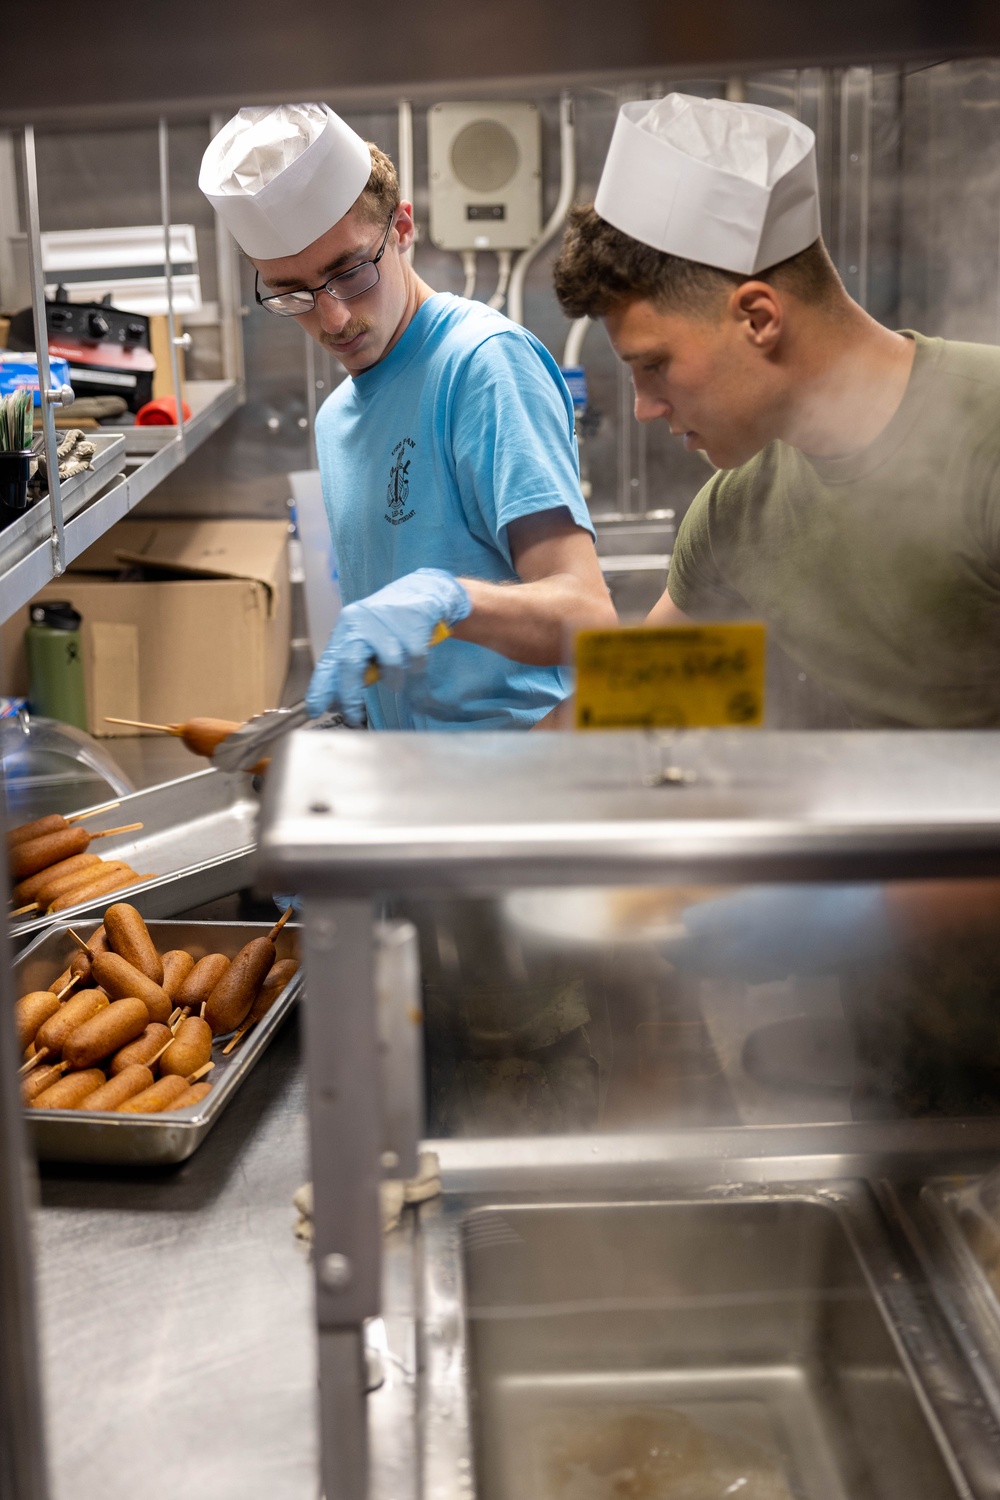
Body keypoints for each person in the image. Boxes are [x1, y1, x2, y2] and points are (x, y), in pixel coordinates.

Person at [552, 91, 1000, 728]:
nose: (645, 408)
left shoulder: (987, 433)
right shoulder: (736, 511)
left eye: (654, 365)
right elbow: (621, 713)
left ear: (759, 318)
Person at [200, 103, 614, 731]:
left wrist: (452, 600)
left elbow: (589, 620)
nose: (332, 318)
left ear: (402, 228)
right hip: (412, 788)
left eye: (349, 271)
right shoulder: (337, 420)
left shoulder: (483, 365)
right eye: (292, 292)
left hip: (514, 788)